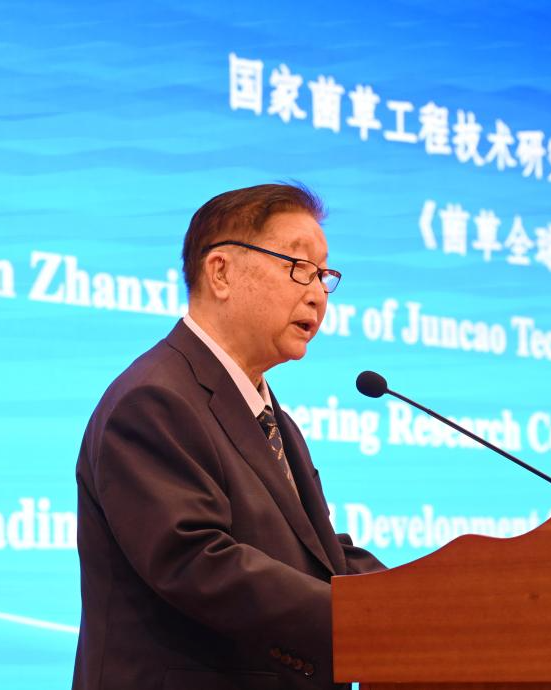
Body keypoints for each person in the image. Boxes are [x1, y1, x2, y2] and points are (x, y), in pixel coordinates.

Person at [72, 183, 384, 690]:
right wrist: (362, 621)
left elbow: (320, 554)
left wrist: (431, 604)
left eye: (323, 275)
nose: (316, 293)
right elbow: (198, 562)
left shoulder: (270, 416)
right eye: (298, 266)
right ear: (220, 272)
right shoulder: (153, 400)